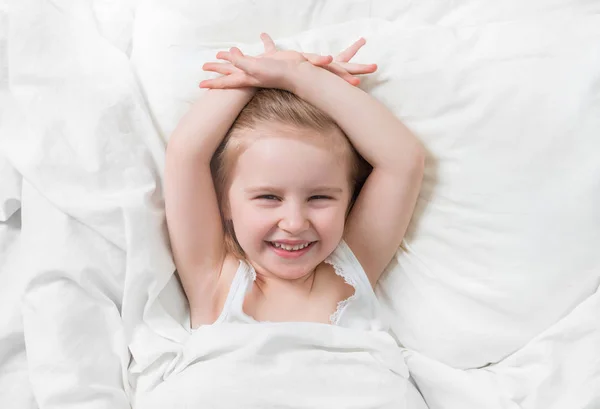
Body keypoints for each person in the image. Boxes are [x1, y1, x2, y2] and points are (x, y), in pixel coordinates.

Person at [160, 33, 426, 407]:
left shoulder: (352, 267)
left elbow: (403, 159)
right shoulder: (215, 277)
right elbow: (186, 153)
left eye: (320, 198)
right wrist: (275, 67)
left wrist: (302, 77)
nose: (294, 222)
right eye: (269, 197)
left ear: (350, 199)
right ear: (225, 203)